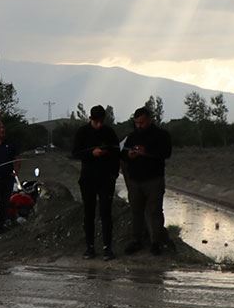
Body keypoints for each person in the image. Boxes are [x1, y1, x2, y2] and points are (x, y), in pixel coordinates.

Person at [71, 105, 120, 259]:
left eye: (101, 122)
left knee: (106, 213)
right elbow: (75, 153)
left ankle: (107, 247)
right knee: (89, 213)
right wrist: (91, 153)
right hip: (88, 179)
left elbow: (117, 152)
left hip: (106, 179)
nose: (99, 125)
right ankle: (90, 247)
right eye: (96, 122)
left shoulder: (109, 132)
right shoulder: (83, 132)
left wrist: (113, 174)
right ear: (91, 119)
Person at [123, 106, 173, 255]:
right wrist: (130, 155)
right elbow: (123, 154)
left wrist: (146, 153)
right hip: (135, 180)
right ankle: (137, 240)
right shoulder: (132, 137)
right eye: (137, 123)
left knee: (155, 211)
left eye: (142, 122)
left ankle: (156, 242)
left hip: (154, 180)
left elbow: (166, 153)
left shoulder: (162, 135)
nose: (139, 126)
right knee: (136, 211)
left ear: (149, 120)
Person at [0, 121, 18, 234]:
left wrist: (15, 171)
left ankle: (1, 226)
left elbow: (16, 159)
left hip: (8, 178)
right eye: (0, 128)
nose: (2, 130)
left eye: (3, 128)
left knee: (5, 203)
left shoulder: (10, 144)